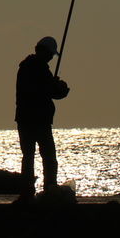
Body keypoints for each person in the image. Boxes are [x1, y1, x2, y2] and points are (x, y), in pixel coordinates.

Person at [15, 36, 70, 200]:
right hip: (39, 120)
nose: (52, 57)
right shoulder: (40, 69)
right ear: (45, 52)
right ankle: (50, 189)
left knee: (28, 156)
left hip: (24, 119)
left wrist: (53, 84)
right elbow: (53, 92)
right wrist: (62, 87)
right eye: (51, 54)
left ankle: (27, 191)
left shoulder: (25, 67)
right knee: (49, 157)